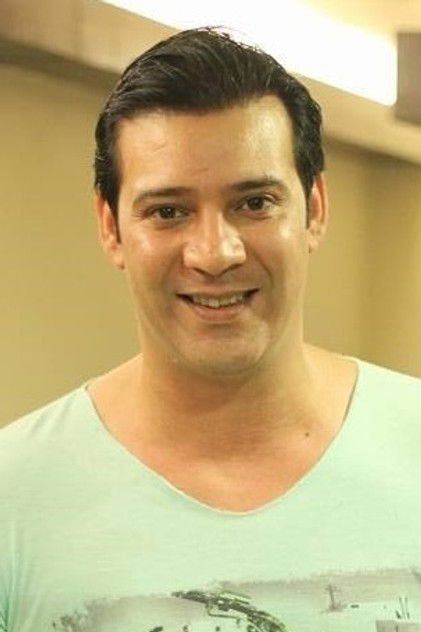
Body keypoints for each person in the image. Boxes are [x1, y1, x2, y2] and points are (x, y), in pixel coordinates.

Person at [1, 27, 420, 632]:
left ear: (314, 209)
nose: (215, 253)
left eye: (254, 203)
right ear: (111, 227)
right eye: (168, 212)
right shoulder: (16, 496)